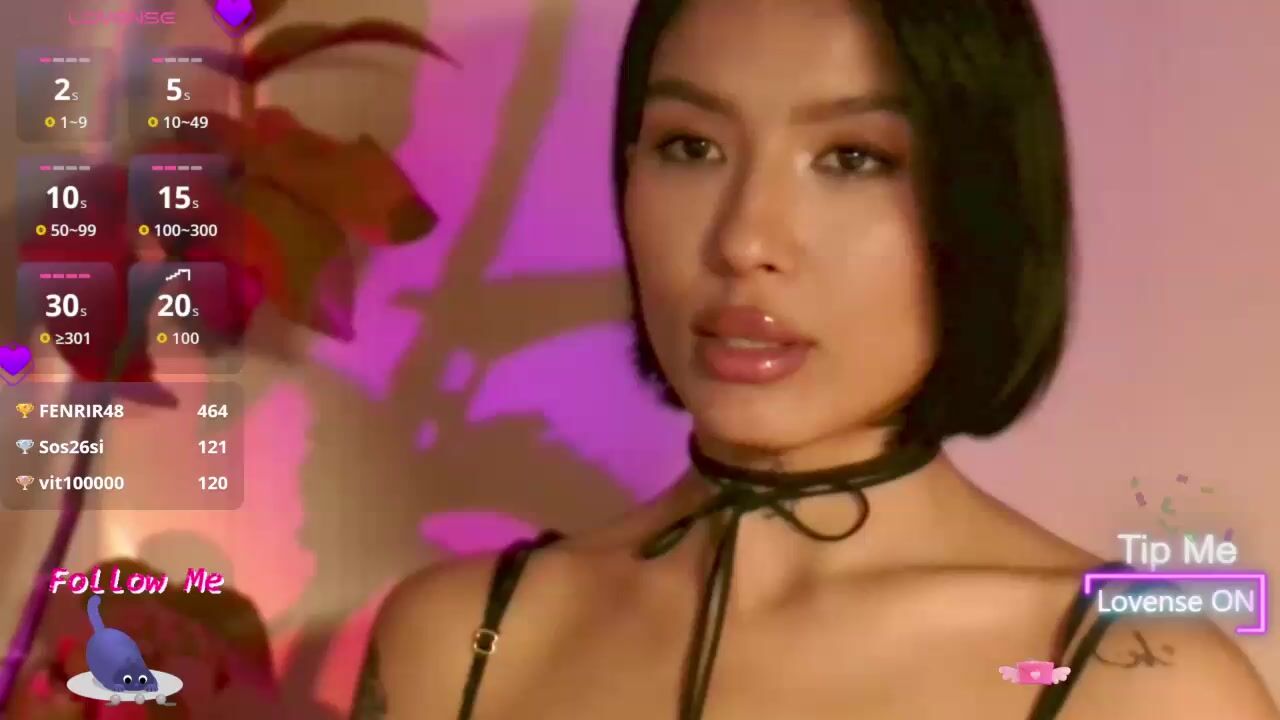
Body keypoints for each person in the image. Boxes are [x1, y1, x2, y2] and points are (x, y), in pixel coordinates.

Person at [352, 0, 1278, 717]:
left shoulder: (1138, 680)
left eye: (853, 159)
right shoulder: (460, 642)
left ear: (985, 207)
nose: (745, 239)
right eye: (691, 146)